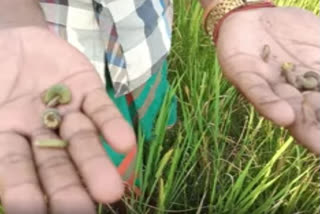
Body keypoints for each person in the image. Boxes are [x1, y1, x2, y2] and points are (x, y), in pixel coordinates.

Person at [0, 0, 319, 213]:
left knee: (132, 133)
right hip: (48, 63)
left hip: (143, 48)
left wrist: (233, 7)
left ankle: (128, 190)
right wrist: (11, 21)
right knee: (76, 154)